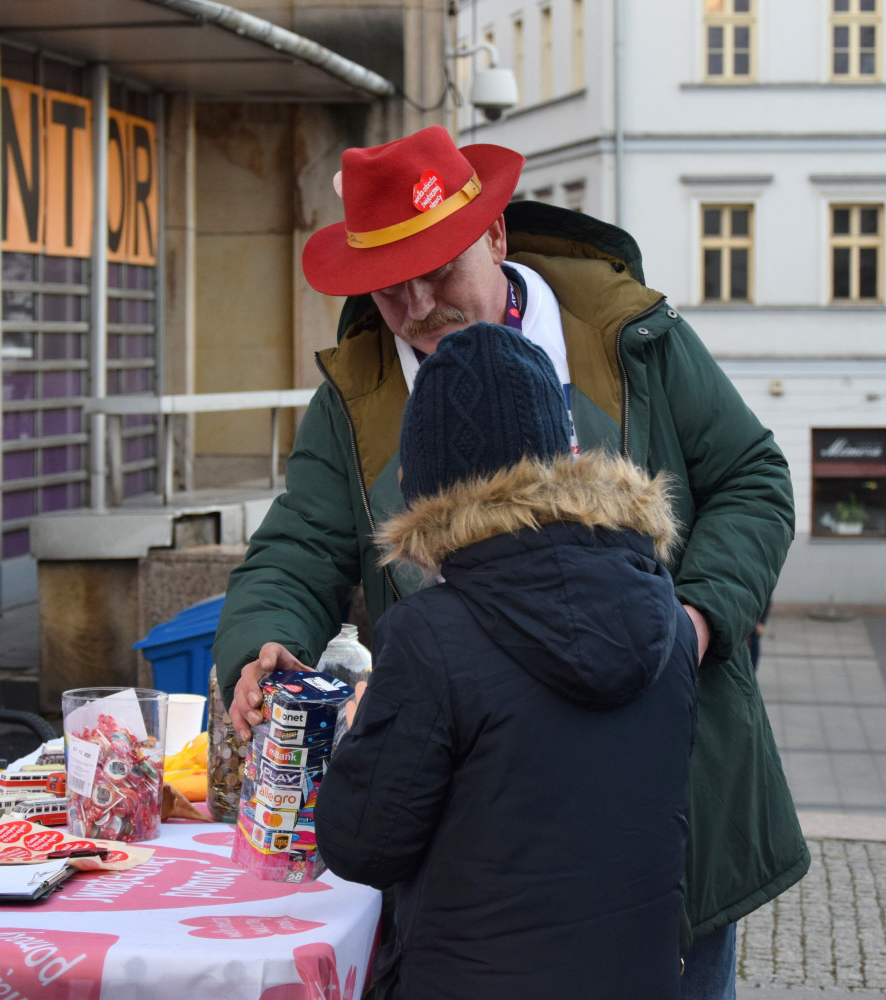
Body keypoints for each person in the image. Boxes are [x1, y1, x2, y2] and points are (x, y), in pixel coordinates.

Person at [212, 124, 810, 997]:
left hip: (667, 804)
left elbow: (753, 479)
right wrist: (262, 641)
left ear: (493, 236)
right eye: (389, 288)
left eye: (440, 270)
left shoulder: (624, 334)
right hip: (483, 833)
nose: (418, 306)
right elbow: (299, 546)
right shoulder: (358, 393)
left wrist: (691, 622)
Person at [314, 324, 699, 999]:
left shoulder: (430, 635)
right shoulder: (663, 613)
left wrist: (360, 724)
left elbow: (362, 844)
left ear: (428, 486)